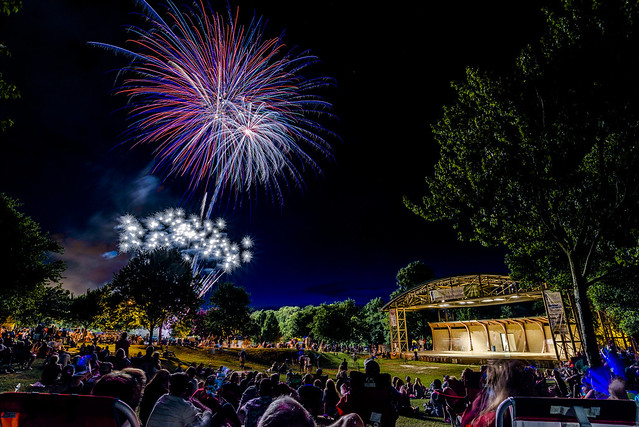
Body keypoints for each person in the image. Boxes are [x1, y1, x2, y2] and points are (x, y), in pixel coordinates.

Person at [146, 372, 212, 427]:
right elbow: (201, 425)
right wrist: (207, 414)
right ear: (186, 388)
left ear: (169, 387)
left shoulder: (162, 399)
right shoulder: (184, 406)